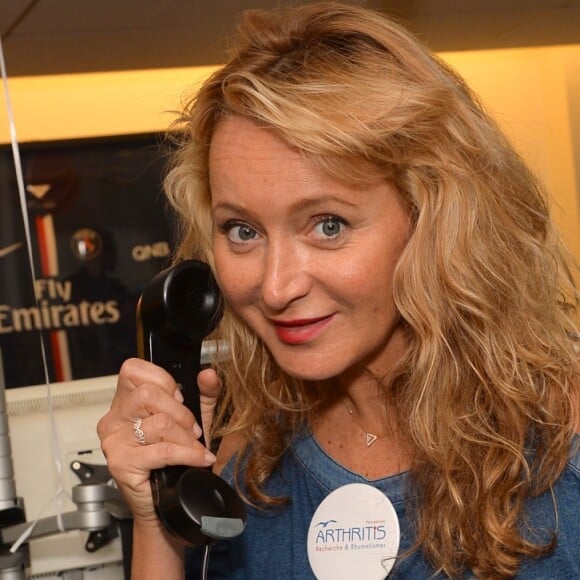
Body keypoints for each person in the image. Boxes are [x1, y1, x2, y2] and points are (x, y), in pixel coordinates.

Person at [97, 2, 580, 578]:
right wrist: (159, 519)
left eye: (329, 225)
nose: (275, 288)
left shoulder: (563, 441)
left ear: (435, 220)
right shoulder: (245, 459)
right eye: (243, 231)